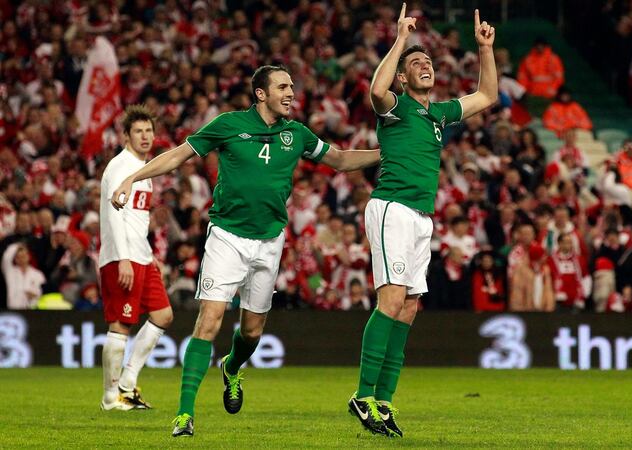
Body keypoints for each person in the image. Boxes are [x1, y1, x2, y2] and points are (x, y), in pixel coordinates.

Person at [112, 65, 380, 437]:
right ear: (261, 94)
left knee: (252, 333)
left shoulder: (296, 133)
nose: (291, 93)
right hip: (227, 236)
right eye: (283, 87)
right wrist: (132, 176)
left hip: (270, 240)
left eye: (291, 87)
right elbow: (177, 155)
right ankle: (184, 415)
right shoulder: (228, 124)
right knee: (209, 319)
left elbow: (340, 159)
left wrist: (387, 153)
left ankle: (232, 368)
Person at [349, 3, 497, 437]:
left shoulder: (439, 113)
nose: (424, 66)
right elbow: (375, 91)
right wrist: (399, 41)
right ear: (403, 76)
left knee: (410, 307)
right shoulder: (395, 107)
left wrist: (484, 50)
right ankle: (362, 395)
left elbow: (486, 96)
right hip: (391, 208)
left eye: (428, 61)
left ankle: (384, 402)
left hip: (421, 217)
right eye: (416, 63)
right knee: (391, 301)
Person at [99, 105, 174, 412]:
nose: (145, 136)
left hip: (141, 256)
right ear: (126, 136)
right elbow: (115, 215)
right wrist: (125, 258)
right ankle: (110, 397)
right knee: (120, 325)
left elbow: (134, 219)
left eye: (148, 131)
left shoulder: (145, 171)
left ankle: (128, 385)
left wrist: (147, 255)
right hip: (122, 258)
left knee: (163, 315)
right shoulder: (120, 167)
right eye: (138, 132)